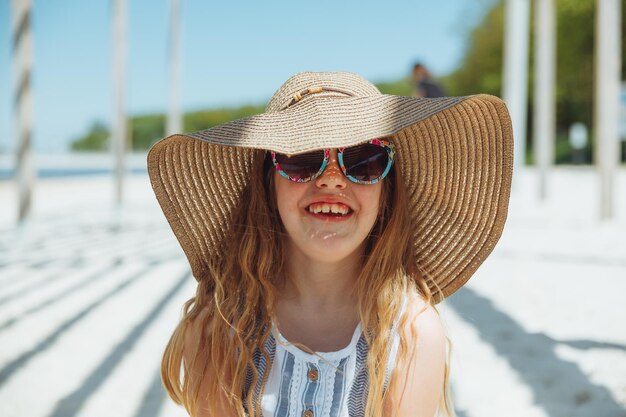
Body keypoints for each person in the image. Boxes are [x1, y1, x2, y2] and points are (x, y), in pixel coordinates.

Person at [147, 72, 513, 417]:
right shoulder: (222, 323)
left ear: (387, 192)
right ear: (267, 182)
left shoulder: (410, 332)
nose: (332, 180)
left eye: (364, 160)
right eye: (302, 158)